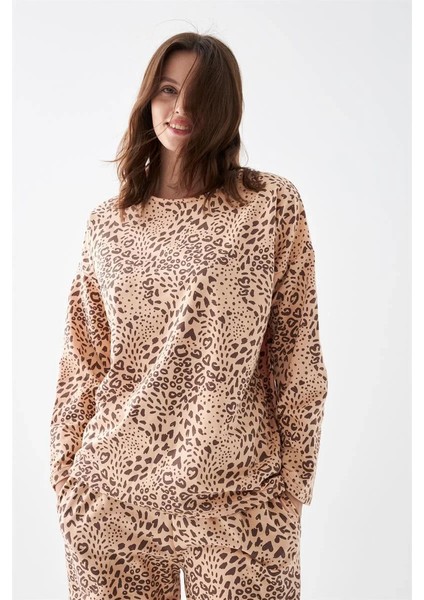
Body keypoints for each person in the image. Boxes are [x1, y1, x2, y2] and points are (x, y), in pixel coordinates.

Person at [49, 31, 328, 600]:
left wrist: (293, 483)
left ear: (226, 107)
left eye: (200, 95)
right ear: (148, 98)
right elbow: (84, 359)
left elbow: (297, 349)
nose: (180, 109)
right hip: (112, 497)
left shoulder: (269, 206)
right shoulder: (108, 223)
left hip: (240, 499)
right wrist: (65, 473)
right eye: (168, 90)